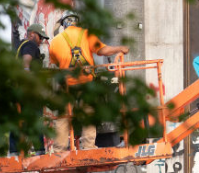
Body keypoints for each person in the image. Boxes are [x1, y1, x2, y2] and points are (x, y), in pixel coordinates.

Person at [45, 14, 130, 150]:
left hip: (67, 86)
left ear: (63, 24)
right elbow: (103, 51)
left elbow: (54, 63)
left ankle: (58, 149)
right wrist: (120, 48)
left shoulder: (55, 41)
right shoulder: (87, 35)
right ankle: (88, 147)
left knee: (62, 117)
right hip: (86, 84)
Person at [9, 23, 48, 155]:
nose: (41, 41)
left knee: (18, 120)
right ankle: (40, 150)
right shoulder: (30, 45)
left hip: (16, 90)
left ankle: (14, 151)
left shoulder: (18, 46)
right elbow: (27, 59)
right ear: (32, 34)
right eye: (40, 37)